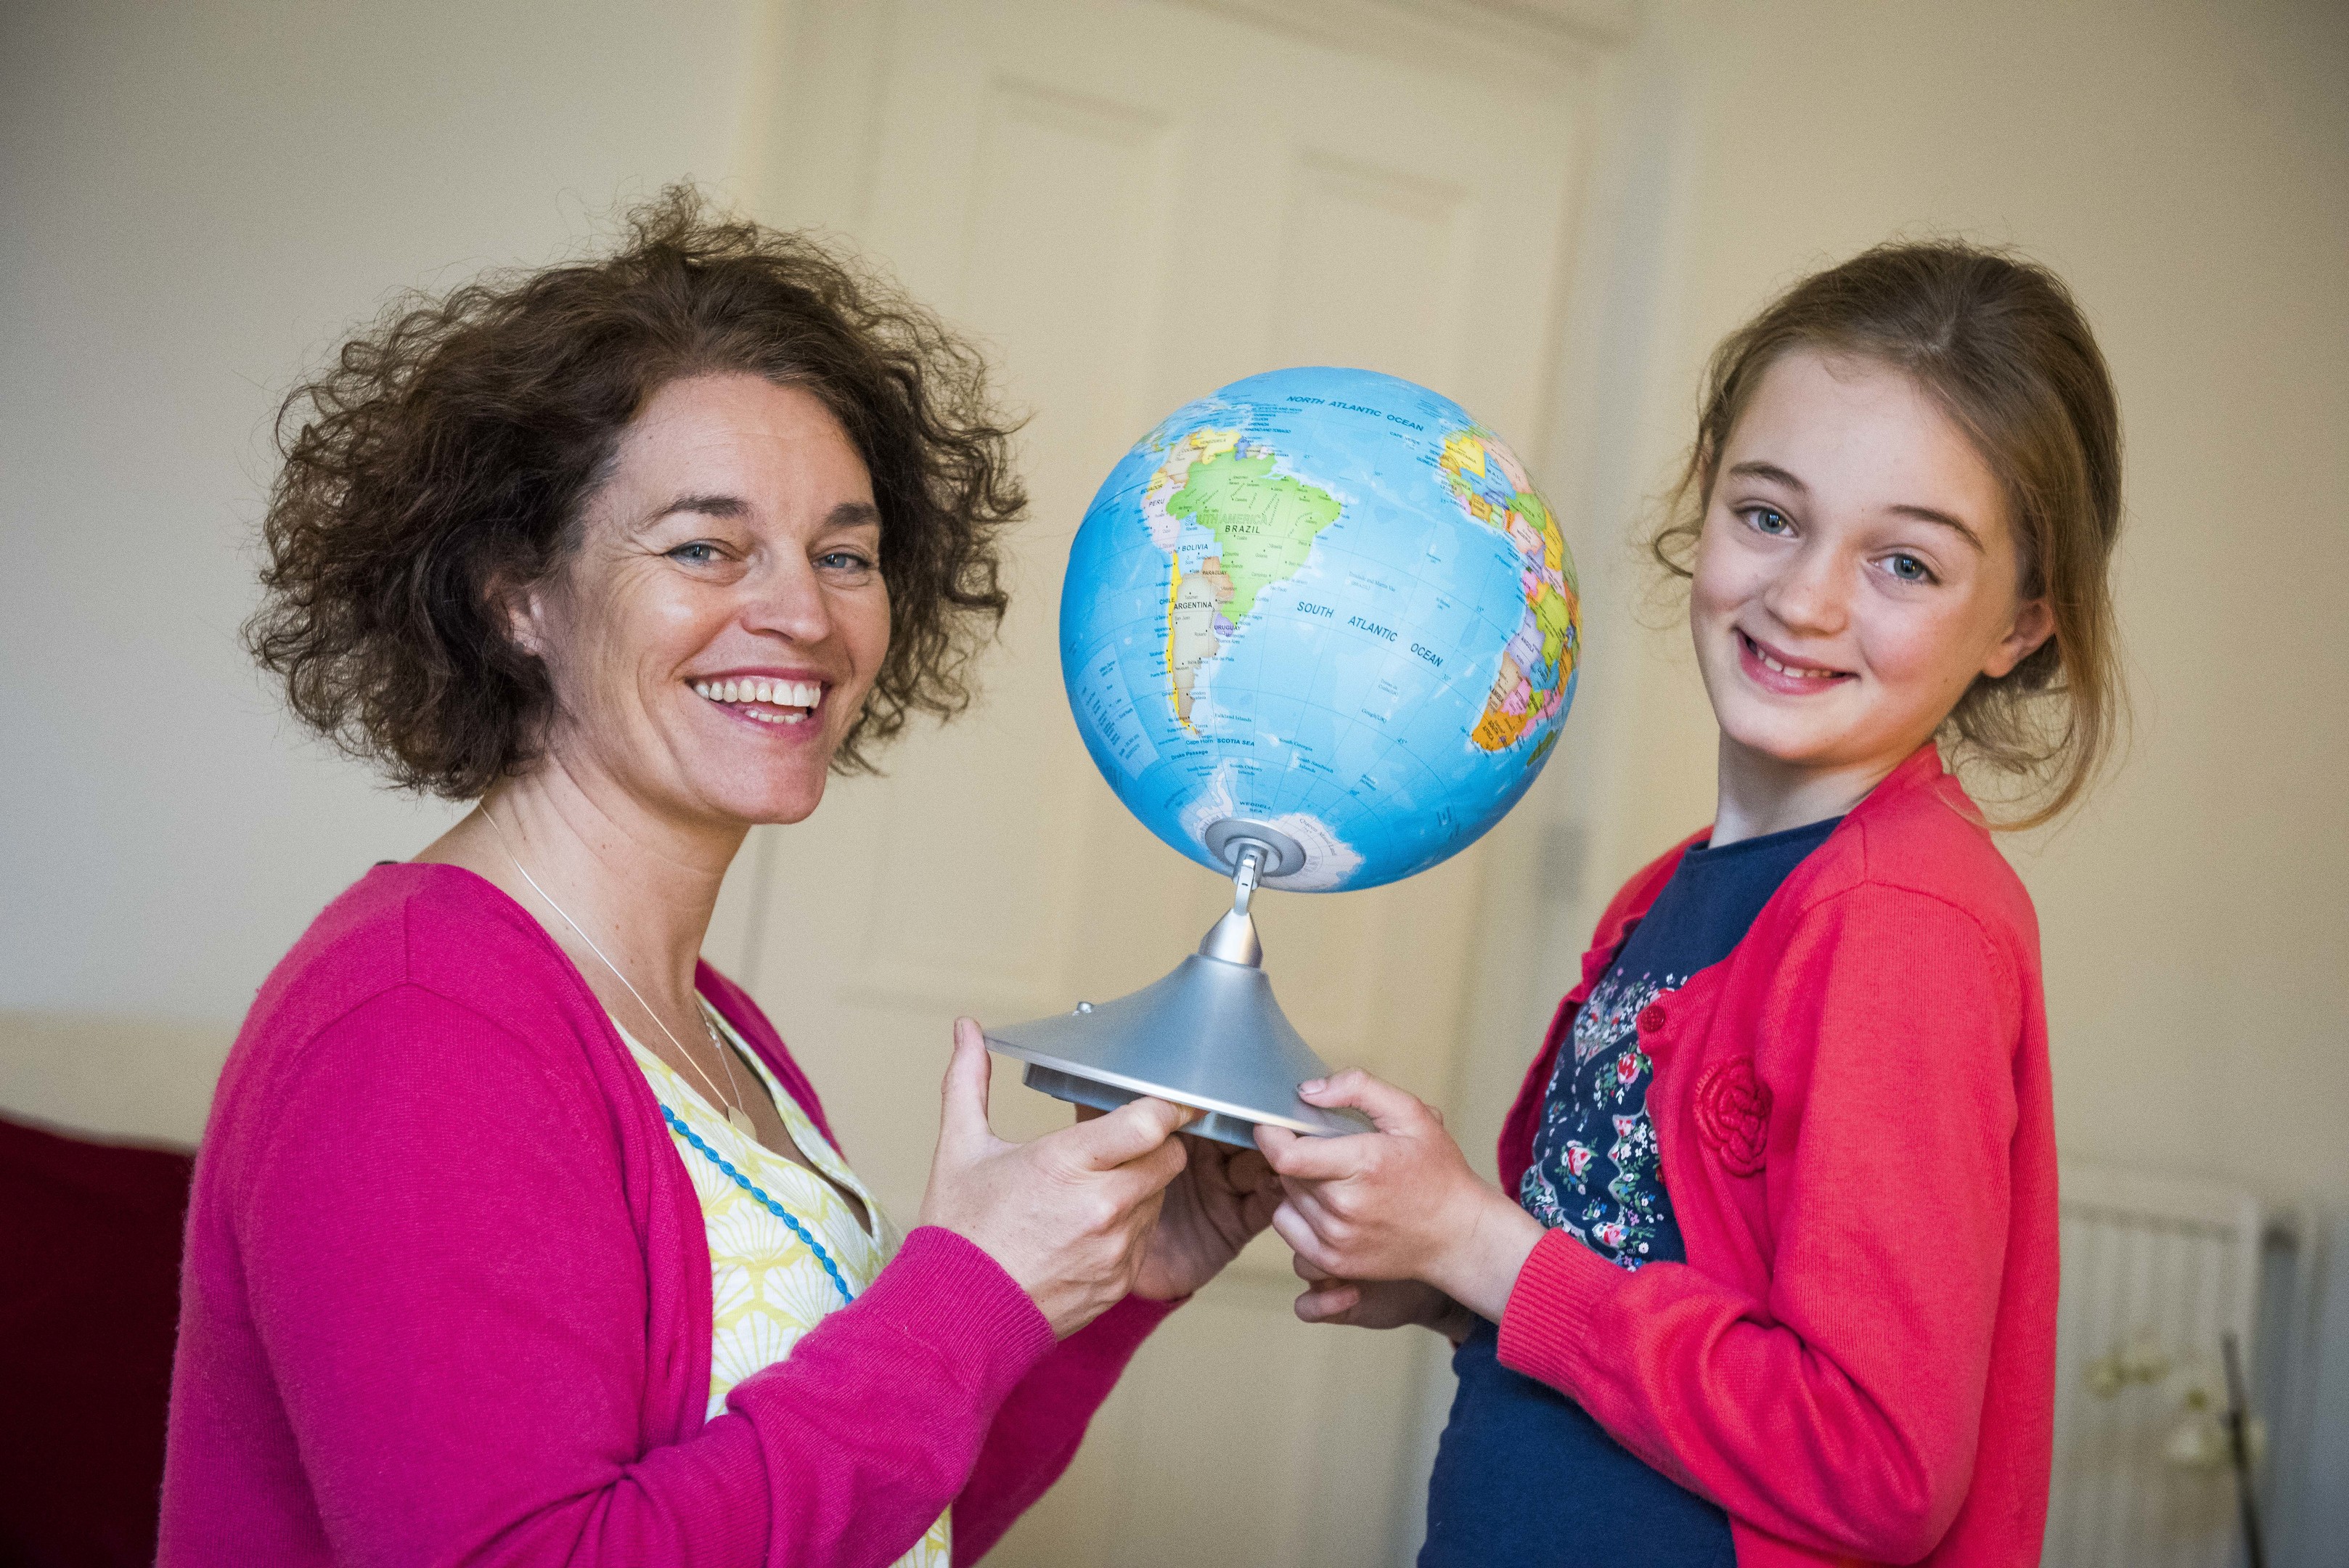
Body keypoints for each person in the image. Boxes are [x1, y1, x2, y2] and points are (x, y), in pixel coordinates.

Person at [160, 189, 1278, 1567]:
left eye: (845, 554)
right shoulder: (417, 1025)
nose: (802, 614)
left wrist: (1086, 1293)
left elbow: (872, 1523)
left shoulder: (708, 1025)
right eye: (704, 546)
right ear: (520, 594)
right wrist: (969, 1291)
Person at [1256, 242, 2125, 1567]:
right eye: (1769, 515)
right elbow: (1655, 1304)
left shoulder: (1898, 921)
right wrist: (1444, 1279)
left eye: (1909, 565)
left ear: (2019, 626)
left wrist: (1488, 1249)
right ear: (1705, 502)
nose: (1805, 597)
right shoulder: (1670, 895)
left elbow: (1876, 1465)